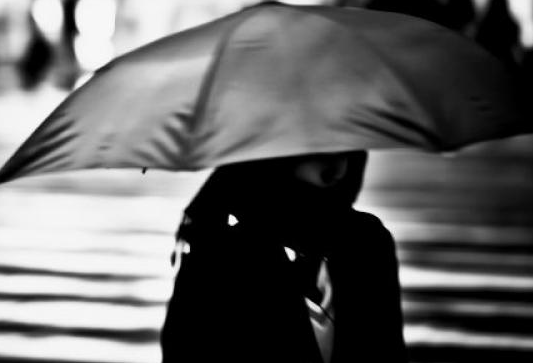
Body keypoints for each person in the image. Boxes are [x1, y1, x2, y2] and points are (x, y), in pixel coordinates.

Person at [160, 150, 407, 362]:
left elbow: (389, 352)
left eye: (347, 146)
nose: (338, 165)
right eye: (317, 148)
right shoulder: (223, 255)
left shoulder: (366, 242)